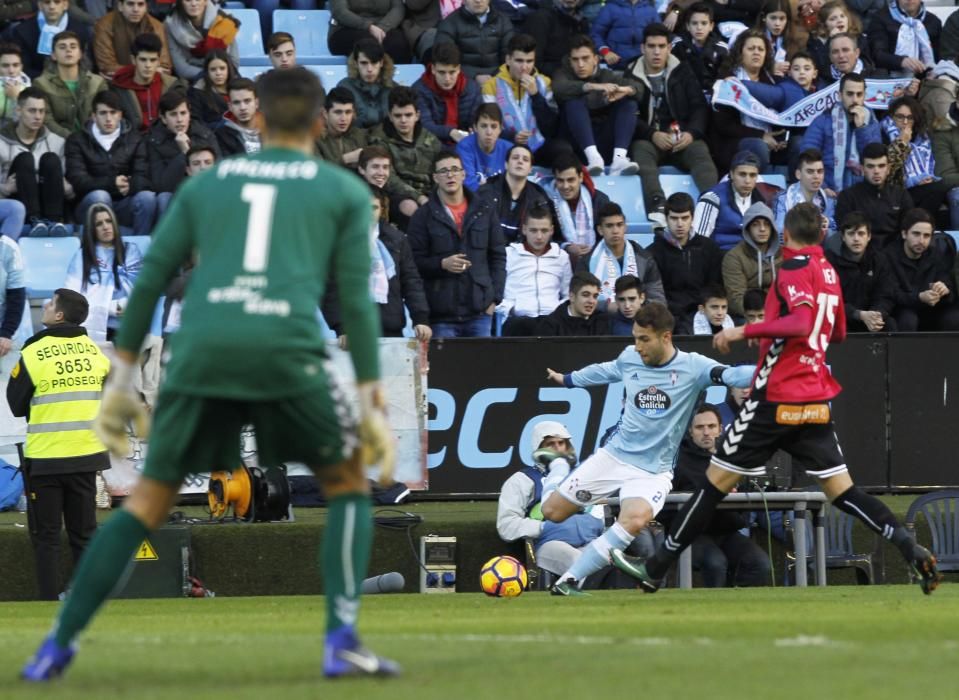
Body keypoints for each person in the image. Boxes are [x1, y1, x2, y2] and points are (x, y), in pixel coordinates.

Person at [20, 66, 400, 682]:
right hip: (285, 348)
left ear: (255, 117)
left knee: (146, 504)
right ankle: (342, 639)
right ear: (315, 122)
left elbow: (150, 280)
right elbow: (356, 301)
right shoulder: (344, 191)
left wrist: (121, 379)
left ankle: (56, 646)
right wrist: (369, 394)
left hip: (202, 349)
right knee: (349, 485)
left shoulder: (207, 186)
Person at [609, 202, 943, 596]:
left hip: (777, 397)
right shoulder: (829, 272)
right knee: (844, 492)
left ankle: (655, 567)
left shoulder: (794, 269)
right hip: (816, 399)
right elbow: (834, 332)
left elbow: (801, 321)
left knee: (712, 485)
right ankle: (907, 544)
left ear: (785, 235)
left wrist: (743, 333)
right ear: (821, 235)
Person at [539, 301, 754, 595]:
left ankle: (570, 581)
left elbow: (732, 375)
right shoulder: (630, 357)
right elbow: (606, 371)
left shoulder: (693, 367)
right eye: (635, 338)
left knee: (635, 519)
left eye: (644, 339)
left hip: (654, 471)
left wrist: (773, 372)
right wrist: (568, 380)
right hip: (613, 457)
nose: (637, 346)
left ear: (666, 337)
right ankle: (558, 466)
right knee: (552, 512)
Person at [7, 288, 110, 601]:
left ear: (59, 315)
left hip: (47, 458)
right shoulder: (96, 353)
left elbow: (15, 404)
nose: (45, 309)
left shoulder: (34, 353)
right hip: (86, 455)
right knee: (85, 535)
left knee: (47, 537)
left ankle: (50, 601)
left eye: (49, 304)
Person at [664, 403, 772, 587]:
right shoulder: (676, 460)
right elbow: (662, 508)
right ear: (690, 431)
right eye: (700, 427)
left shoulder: (733, 457)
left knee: (761, 564)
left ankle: (742, 611)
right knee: (715, 563)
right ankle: (710, 613)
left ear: (721, 429)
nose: (706, 432)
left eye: (711, 426)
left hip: (726, 531)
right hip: (690, 534)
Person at [626, 23, 717, 228]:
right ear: (643, 48)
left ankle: (712, 202)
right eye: (651, 46)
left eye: (661, 46)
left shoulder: (682, 71)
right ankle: (657, 206)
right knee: (640, 151)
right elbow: (627, 116)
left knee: (700, 151)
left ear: (669, 47)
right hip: (650, 140)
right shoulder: (630, 73)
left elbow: (699, 107)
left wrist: (691, 134)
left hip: (681, 138)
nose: (656, 52)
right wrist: (651, 134)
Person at [407, 150, 506, 338]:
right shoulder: (422, 216)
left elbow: (498, 256)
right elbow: (413, 263)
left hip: (480, 312)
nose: (450, 175)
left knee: (480, 367)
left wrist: (494, 298)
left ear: (463, 174)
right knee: (446, 368)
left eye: (454, 169)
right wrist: (441, 264)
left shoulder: (485, 210)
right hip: (441, 315)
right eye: (443, 171)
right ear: (435, 178)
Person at [496, 421, 604, 579]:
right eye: (550, 444)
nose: (557, 448)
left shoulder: (582, 477)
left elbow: (600, 513)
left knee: (607, 560)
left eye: (561, 443)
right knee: (578, 562)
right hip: (549, 545)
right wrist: (544, 528)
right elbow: (506, 525)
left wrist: (594, 524)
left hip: (589, 540)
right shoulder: (521, 480)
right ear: (538, 448)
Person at [322, 187, 432, 344]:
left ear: (382, 210)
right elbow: (330, 288)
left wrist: (421, 318)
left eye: (374, 207)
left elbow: (411, 281)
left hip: (391, 326)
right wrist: (341, 328)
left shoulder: (397, 239)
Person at [65, 90, 157, 236]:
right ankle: (104, 244)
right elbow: (78, 181)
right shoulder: (77, 140)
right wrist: (111, 184)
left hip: (124, 203)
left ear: (120, 115)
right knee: (100, 196)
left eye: (113, 113)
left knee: (147, 198)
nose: (108, 118)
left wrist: (130, 185)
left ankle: (140, 246)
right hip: (89, 205)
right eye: (103, 113)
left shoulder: (135, 139)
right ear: (93, 116)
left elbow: (144, 176)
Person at [552, 35, 641, 176]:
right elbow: (559, 88)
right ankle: (593, 158)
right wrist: (593, 87)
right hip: (575, 146)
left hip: (604, 140)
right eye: (575, 60)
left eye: (585, 58)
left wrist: (626, 90)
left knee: (629, 103)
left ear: (596, 59)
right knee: (573, 102)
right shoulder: (562, 74)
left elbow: (639, 88)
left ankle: (619, 159)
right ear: (570, 61)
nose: (580, 64)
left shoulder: (607, 75)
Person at [64, 203, 144, 343]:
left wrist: (125, 304)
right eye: (99, 224)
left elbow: (142, 288)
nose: (105, 227)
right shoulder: (82, 256)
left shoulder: (131, 251)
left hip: (129, 322)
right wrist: (111, 307)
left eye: (109, 221)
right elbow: (71, 295)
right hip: (97, 323)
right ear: (92, 229)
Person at [132, 90, 219, 216]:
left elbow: (219, 170)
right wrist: (184, 153)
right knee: (164, 198)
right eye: (173, 114)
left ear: (189, 114)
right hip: (172, 197)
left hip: (205, 191)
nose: (179, 119)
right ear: (163, 118)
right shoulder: (153, 141)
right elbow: (161, 185)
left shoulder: (205, 135)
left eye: (183, 113)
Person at [0, 87, 71, 236]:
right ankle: (35, 220)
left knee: (50, 159)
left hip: (51, 202)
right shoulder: (1, 142)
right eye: (32, 111)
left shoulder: (57, 142)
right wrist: (4, 189)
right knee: (25, 159)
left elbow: (69, 189)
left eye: (41, 111)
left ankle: (54, 222)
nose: (38, 116)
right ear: (18, 111)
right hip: (17, 203)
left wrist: (69, 188)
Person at [649, 191, 723, 335]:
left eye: (685, 218)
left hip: (703, 313)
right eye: (674, 218)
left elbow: (714, 287)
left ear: (692, 218)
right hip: (669, 316)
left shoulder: (709, 248)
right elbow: (657, 293)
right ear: (666, 219)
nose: (680, 224)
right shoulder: (653, 252)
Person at [481, 33, 559, 163]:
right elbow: (487, 126)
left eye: (529, 61)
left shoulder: (544, 82)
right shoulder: (491, 85)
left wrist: (536, 96)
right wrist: (512, 137)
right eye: (519, 61)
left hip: (539, 145)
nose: (524, 67)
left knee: (562, 149)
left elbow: (551, 126)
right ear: (508, 60)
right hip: (506, 147)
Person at [368, 86, 442, 222]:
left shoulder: (431, 140)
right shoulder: (379, 140)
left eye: (408, 115)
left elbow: (439, 172)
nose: (403, 120)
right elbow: (388, 178)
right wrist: (418, 197)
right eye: (398, 115)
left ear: (417, 115)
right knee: (410, 206)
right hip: (396, 195)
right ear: (390, 116)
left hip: (429, 193)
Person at [801, 72, 881, 194]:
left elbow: (875, 157)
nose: (855, 99)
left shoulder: (871, 122)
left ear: (864, 96)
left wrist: (862, 129)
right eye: (850, 94)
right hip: (828, 190)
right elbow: (807, 156)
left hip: (863, 191)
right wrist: (822, 187)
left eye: (859, 95)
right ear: (840, 95)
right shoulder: (823, 121)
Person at [498, 204, 571, 334]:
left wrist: (557, 311)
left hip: (551, 320)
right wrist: (512, 309)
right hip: (517, 320)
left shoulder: (561, 257)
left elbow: (568, 295)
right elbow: (496, 295)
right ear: (524, 229)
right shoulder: (509, 254)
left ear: (552, 230)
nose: (539, 236)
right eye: (533, 230)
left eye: (544, 231)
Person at [884, 208, 959, 332]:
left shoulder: (937, 254)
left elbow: (950, 289)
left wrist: (944, 291)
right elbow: (891, 294)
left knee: (954, 317)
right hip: (901, 310)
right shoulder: (887, 257)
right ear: (904, 234)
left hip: (931, 310)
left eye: (926, 235)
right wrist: (919, 297)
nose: (921, 241)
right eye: (916, 234)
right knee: (908, 319)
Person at [576, 201, 666, 306]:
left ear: (625, 227)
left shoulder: (644, 259)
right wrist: (606, 307)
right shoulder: (587, 261)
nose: (615, 231)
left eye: (619, 225)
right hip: (601, 320)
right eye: (609, 226)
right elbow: (579, 302)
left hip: (639, 319)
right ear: (600, 230)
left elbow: (658, 300)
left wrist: (637, 310)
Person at [881, 96, 950, 226]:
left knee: (941, 189)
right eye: (900, 117)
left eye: (910, 118)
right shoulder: (884, 134)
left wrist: (926, 178)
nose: (905, 122)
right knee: (937, 190)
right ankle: (917, 228)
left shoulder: (923, 138)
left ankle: (917, 229)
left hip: (921, 188)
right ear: (892, 116)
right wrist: (901, 143)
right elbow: (887, 172)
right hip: (896, 189)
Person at [824, 211, 897, 333]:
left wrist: (876, 314)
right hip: (842, 318)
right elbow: (830, 300)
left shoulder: (879, 260)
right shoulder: (829, 261)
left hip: (871, 317)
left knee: (890, 324)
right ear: (843, 237)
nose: (856, 238)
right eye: (851, 234)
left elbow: (886, 295)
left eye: (861, 233)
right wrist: (858, 314)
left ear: (869, 236)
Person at [835, 142, 914, 247]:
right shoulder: (848, 197)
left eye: (881, 166)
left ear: (888, 169)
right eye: (870, 166)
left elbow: (909, 230)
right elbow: (845, 233)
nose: (876, 171)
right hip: (861, 256)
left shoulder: (901, 196)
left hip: (895, 256)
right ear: (862, 169)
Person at [693, 150, 772, 252]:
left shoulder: (761, 200)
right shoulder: (712, 198)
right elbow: (698, 240)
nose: (747, 181)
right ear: (731, 174)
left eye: (752, 175)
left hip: (752, 258)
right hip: (720, 257)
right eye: (742, 174)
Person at [33, 31, 106, 139]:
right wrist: (72, 138)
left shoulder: (97, 82)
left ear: (80, 54)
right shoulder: (40, 84)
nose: (68, 50)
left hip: (94, 139)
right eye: (62, 47)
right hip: (57, 142)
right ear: (53, 55)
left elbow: (105, 114)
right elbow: (46, 119)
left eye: (73, 46)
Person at [477, 143, 555, 243]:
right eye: (515, 158)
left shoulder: (539, 198)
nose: (520, 161)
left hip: (523, 255)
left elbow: (545, 236)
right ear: (506, 164)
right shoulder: (487, 190)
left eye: (525, 160)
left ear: (530, 169)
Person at [111, 33, 187, 133]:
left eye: (153, 60)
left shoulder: (171, 85)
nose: (148, 65)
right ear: (134, 60)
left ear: (159, 61)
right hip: (132, 142)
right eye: (143, 60)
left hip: (165, 140)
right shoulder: (119, 88)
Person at [546, 151, 611, 262]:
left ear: (580, 177)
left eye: (570, 180)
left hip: (598, 260)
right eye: (560, 180)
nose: (565, 186)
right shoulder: (546, 201)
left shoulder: (600, 200)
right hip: (558, 261)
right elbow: (543, 237)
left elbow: (608, 235)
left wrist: (592, 251)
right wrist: (566, 247)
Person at [413, 42, 482, 146]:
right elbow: (425, 125)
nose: (447, 79)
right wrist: (450, 132)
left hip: (466, 145)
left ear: (459, 69)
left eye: (452, 72)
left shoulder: (472, 89)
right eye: (442, 72)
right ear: (433, 69)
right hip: (430, 146)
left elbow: (477, 121)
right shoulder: (419, 90)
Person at [722, 201, 782, 318]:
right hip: (748, 316)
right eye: (756, 224)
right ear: (747, 228)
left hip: (778, 314)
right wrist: (760, 317)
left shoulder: (784, 254)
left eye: (767, 224)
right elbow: (736, 299)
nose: (762, 229)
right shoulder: (734, 257)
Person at [435, 0, 515, 82]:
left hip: (499, 79)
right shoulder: (450, 23)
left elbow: (509, 57)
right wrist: (473, 77)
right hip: (463, 81)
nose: (478, 1)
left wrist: (497, 78)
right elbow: (446, 61)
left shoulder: (503, 21)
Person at [10, 0, 93, 79]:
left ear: (65, 5)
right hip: (37, 85)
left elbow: (86, 65)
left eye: (57, 2)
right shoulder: (22, 31)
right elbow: (23, 69)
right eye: (47, 2)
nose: (52, 6)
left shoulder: (80, 30)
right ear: (40, 5)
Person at [93, 0, 172, 80]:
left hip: (147, 83)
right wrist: (149, 71)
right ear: (120, 6)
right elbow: (107, 68)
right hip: (117, 86)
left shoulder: (156, 26)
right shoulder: (104, 25)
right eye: (130, 4)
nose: (135, 9)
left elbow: (165, 69)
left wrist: (124, 72)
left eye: (140, 4)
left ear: (146, 7)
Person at [163, 0, 240, 83]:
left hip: (225, 75)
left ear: (206, 1)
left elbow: (233, 62)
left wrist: (218, 73)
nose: (193, 4)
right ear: (181, 2)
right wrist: (210, 74)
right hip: (192, 79)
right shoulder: (171, 25)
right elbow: (181, 68)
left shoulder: (223, 22)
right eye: (188, 0)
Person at [867, 0, 940, 79]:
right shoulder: (880, 18)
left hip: (925, 79)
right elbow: (877, 55)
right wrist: (902, 61)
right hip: (890, 79)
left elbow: (939, 58)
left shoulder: (933, 21)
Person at [669, 3, 728, 99]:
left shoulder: (721, 49)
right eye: (694, 23)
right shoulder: (678, 46)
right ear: (687, 26)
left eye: (704, 23)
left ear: (711, 26)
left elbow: (724, 79)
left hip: (712, 96)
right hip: (685, 96)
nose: (699, 28)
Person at [336, 38, 396, 130]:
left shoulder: (393, 89)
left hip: (386, 141)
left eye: (374, 62)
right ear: (356, 63)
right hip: (354, 140)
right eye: (364, 63)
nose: (369, 69)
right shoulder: (344, 87)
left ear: (381, 63)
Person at [774, 148, 837, 234]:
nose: (816, 176)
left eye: (820, 171)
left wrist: (827, 222)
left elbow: (834, 230)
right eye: (810, 171)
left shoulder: (828, 200)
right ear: (798, 174)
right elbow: (779, 231)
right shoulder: (783, 199)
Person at [327, 0, 411, 64]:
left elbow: (398, 8)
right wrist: (369, 26)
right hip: (346, 28)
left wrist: (381, 27)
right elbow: (340, 11)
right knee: (366, 44)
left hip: (384, 26)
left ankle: (395, 83)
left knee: (399, 45)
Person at [524, 0, 590, 79]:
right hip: (546, 80)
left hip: (575, 75)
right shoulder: (540, 18)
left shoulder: (581, 21)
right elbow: (533, 62)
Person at [805, 1, 870, 80]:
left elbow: (868, 63)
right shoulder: (816, 41)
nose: (839, 20)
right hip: (827, 81)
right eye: (833, 19)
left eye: (842, 16)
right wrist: (830, 40)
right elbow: (820, 66)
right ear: (824, 24)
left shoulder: (859, 38)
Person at [535, 270, 609, 336]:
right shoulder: (551, 325)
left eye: (595, 296)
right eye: (585, 295)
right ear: (572, 296)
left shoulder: (601, 321)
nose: (591, 301)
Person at [456, 103, 512, 191]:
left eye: (493, 126)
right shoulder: (464, 147)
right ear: (475, 127)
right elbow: (468, 184)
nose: (489, 132)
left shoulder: (509, 149)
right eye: (484, 126)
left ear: (500, 129)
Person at [590, 0, 659, 69]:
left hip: (643, 65)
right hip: (616, 64)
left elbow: (659, 36)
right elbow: (596, 34)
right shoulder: (610, 8)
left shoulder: (650, 10)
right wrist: (606, 52)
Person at [315, 87, 368, 169]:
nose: (344, 118)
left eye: (348, 112)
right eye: (338, 112)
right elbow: (318, 172)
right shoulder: (315, 139)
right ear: (325, 113)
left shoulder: (360, 136)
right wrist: (345, 159)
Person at [186, 49, 237, 129]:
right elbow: (196, 124)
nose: (218, 73)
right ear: (207, 71)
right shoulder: (196, 93)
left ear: (229, 69)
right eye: (213, 69)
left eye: (222, 68)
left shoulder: (239, 87)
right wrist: (223, 124)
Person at [214, 78, 261, 157]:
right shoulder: (221, 135)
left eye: (247, 101)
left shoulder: (274, 130)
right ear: (230, 106)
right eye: (236, 103)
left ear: (256, 103)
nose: (242, 107)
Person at [0, 44, 30, 128]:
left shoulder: (28, 87)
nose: (11, 71)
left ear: (21, 67)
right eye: (5, 66)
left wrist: (16, 98)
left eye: (15, 65)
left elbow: (28, 122)